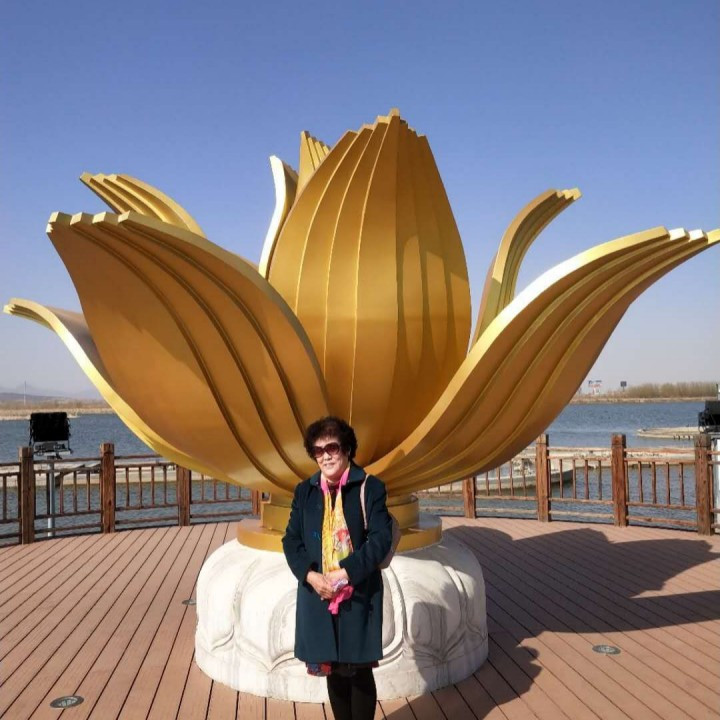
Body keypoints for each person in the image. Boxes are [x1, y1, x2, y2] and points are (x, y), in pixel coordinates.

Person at [282, 416, 393, 720]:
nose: (326, 456)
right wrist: (310, 575)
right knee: (332, 668)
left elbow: (381, 539)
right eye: (318, 451)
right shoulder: (305, 492)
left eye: (332, 447)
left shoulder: (370, 487)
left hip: (357, 591)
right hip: (319, 593)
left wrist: (346, 573)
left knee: (358, 670)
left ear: (346, 449)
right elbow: (291, 540)